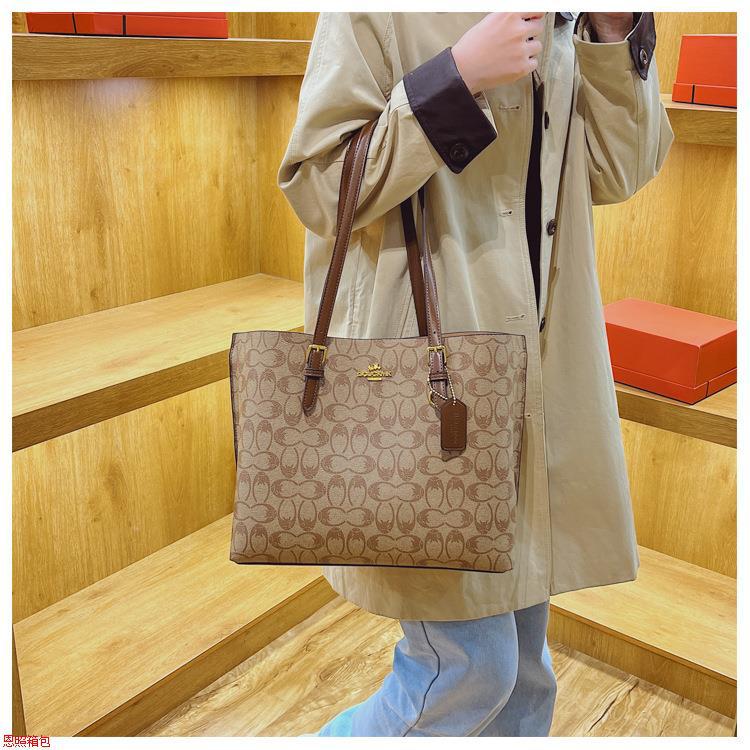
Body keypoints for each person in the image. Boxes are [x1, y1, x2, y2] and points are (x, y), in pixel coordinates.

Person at [278, 11, 673, 737]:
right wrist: (454, 82)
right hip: (431, 393)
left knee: (524, 672)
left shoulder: (562, 20)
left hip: (537, 380)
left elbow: (619, 170)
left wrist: (615, 32)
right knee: (466, 672)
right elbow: (319, 185)